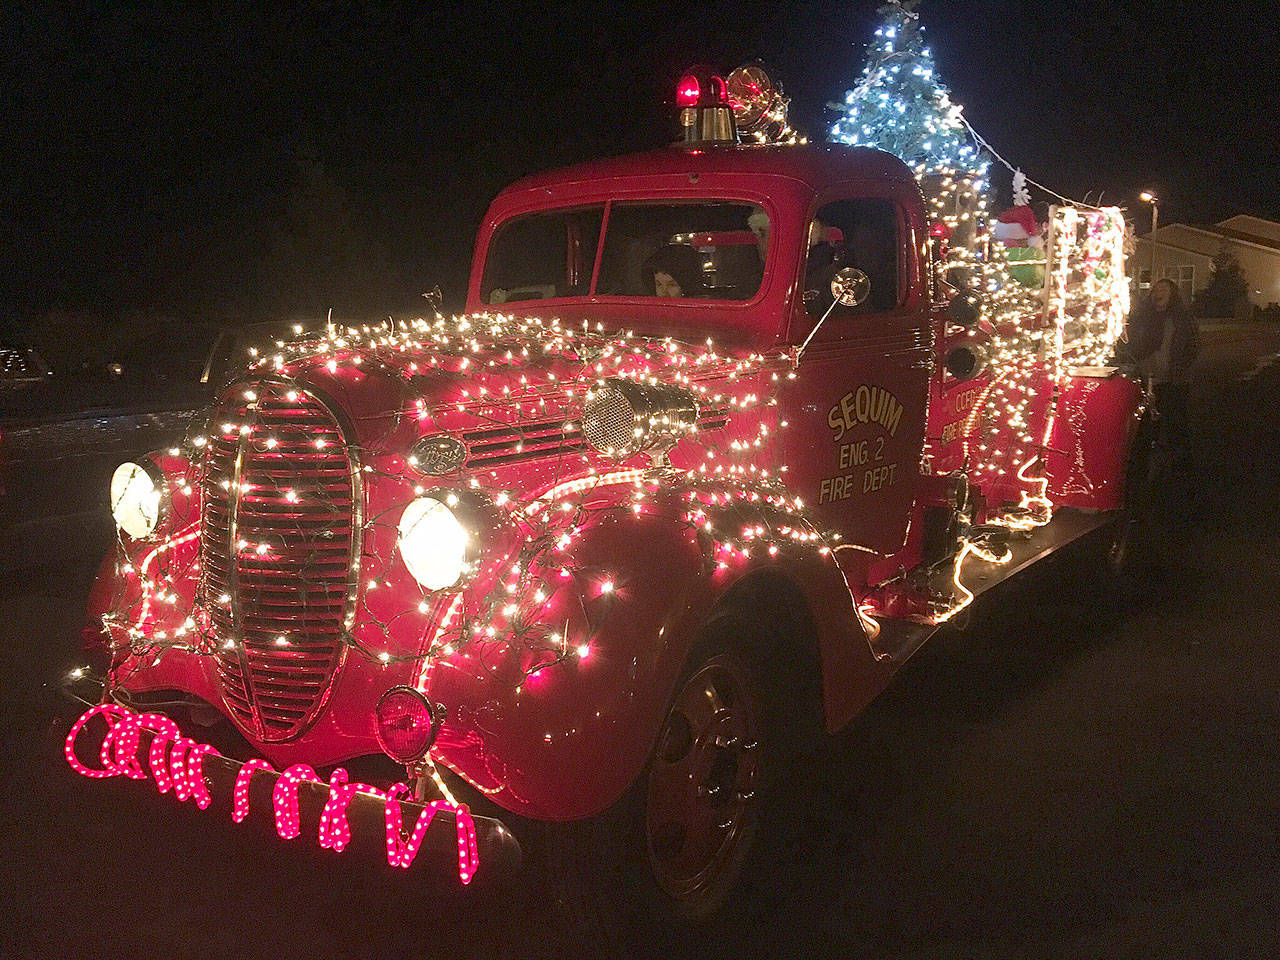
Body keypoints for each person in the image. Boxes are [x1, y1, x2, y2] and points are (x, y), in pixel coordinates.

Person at [1126, 277, 1199, 519]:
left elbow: (1192, 346)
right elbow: (1132, 342)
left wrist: (1183, 368)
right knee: (1147, 423)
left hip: (1174, 379)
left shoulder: (1182, 319)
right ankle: (1145, 467)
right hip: (1148, 377)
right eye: (1156, 289)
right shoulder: (1144, 318)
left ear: (1173, 294)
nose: (1159, 293)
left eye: (1164, 289)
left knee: (1176, 420)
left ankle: (1179, 469)